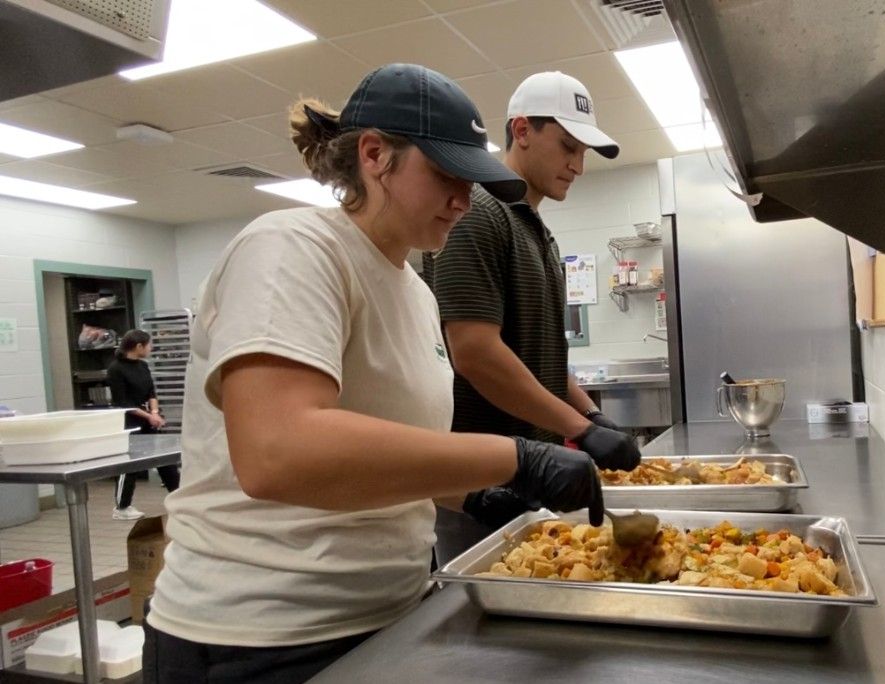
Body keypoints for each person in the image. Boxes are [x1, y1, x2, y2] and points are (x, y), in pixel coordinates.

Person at [142, 64, 604, 684]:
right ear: (374, 155)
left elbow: (378, 449)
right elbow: (278, 452)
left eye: (473, 182)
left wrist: (473, 495)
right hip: (260, 637)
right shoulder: (293, 248)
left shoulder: (416, 293)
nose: (464, 201)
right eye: (446, 175)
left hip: (390, 615)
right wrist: (514, 457)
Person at [424, 71, 640, 564]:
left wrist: (591, 414)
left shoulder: (536, 232)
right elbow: (476, 353)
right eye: (568, 146)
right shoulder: (476, 214)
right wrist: (582, 432)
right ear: (521, 130)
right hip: (481, 490)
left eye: (584, 152)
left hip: (534, 475)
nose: (578, 166)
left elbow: (538, 358)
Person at [106, 329, 180, 520]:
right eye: (149, 344)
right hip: (130, 421)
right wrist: (148, 416)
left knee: (164, 460)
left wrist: (154, 413)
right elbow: (123, 403)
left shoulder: (143, 366)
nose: (151, 348)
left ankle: (178, 498)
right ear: (138, 346)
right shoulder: (116, 369)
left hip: (148, 418)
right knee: (130, 464)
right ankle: (122, 507)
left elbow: (151, 393)